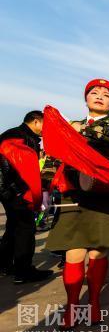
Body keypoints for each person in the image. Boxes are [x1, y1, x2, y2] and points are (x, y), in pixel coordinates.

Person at [45, 79, 109, 328]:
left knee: (97, 252)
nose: (99, 96)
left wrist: (77, 130)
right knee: (73, 253)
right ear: (86, 99)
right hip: (74, 196)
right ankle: (72, 306)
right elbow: (54, 156)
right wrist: (45, 186)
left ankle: (94, 302)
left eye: (106, 95)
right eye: (94, 92)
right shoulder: (72, 126)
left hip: (104, 195)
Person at [0, 110, 53, 283]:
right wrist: (17, 190)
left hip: (11, 190)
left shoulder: (20, 135)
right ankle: (23, 271)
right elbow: (6, 164)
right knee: (26, 228)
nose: (46, 129)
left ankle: (4, 264)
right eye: (45, 125)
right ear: (36, 121)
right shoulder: (18, 136)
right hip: (15, 191)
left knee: (13, 226)